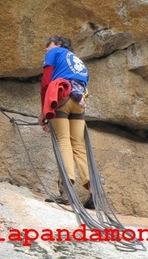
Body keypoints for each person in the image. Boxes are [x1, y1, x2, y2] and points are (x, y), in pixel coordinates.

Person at [39, 35, 94, 209]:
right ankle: (92, 190)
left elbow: (46, 81)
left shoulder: (55, 52)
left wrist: (44, 112)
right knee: (78, 145)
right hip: (79, 103)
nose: (46, 48)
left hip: (62, 98)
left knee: (63, 140)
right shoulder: (78, 62)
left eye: (48, 45)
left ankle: (67, 191)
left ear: (58, 44)